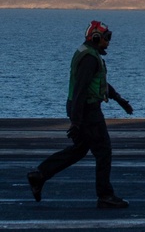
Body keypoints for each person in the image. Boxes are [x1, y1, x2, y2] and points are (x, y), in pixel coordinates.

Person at [27, 20, 133, 209]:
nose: (108, 42)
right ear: (96, 38)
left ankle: (40, 174)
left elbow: (98, 84)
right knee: (103, 151)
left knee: (80, 149)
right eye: (106, 38)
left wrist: (119, 99)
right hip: (87, 110)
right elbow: (80, 90)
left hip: (82, 109)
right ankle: (105, 195)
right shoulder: (90, 59)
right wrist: (76, 122)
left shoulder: (89, 54)